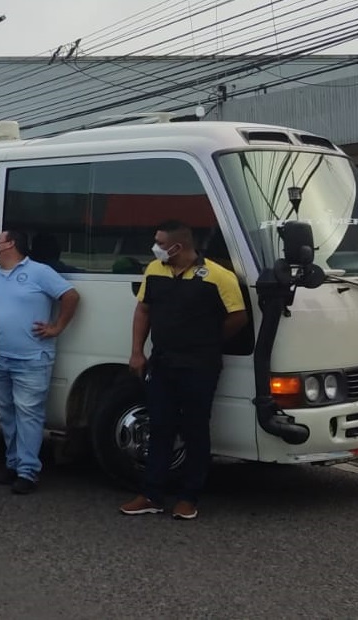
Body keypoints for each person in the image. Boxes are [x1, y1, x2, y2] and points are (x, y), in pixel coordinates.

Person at [120, 220, 247, 521]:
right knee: (160, 427)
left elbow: (238, 316)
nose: (155, 248)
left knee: (195, 429)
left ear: (178, 246)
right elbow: (143, 311)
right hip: (162, 363)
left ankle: (189, 497)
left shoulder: (218, 276)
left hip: (200, 366)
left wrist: (209, 340)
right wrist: (137, 352)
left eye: (160, 243)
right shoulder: (154, 270)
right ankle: (151, 494)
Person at [0, 229, 80, 494]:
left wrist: (56, 327)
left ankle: (28, 472)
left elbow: (70, 296)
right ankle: (13, 463)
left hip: (32, 359)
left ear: (10, 244)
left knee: (29, 415)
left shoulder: (39, 271)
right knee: (7, 415)